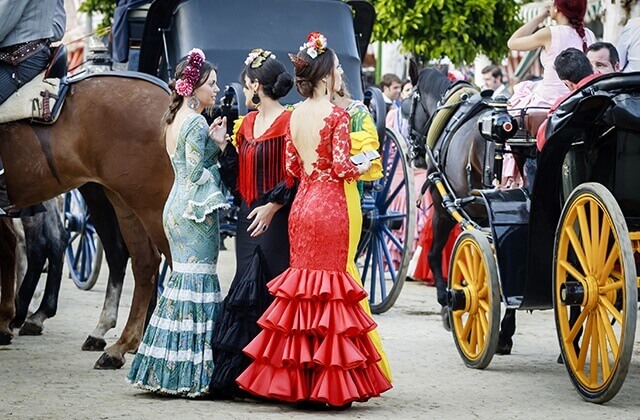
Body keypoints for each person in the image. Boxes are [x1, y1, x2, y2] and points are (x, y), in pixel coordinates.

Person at [236, 32, 392, 409]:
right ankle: (329, 384)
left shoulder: (295, 115)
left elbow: (291, 168)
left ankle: (297, 380)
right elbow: (341, 167)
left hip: (302, 206)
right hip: (330, 206)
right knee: (331, 290)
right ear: (326, 77)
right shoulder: (337, 116)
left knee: (303, 289)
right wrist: (367, 160)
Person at [127, 48, 229, 397]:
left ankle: (162, 367)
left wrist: (208, 145)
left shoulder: (173, 119)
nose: (216, 90)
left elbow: (183, 166)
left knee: (180, 286)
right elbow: (198, 171)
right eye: (211, 84)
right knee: (198, 284)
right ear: (195, 85)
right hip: (194, 212)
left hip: (174, 207)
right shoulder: (197, 122)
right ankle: (191, 375)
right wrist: (218, 146)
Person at [208, 49, 295, 398]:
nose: (244, 91)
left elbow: (296, 174)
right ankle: (245, 378)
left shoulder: (291, 122)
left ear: (257, 85)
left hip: (278, 221)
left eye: (246, 85)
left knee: (274, 293)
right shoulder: (244, 124)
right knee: (246, 294)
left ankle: (273, 381)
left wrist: (272, 206)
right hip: (248, 218)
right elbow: (237, 179)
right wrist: (221, 147)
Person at [331, 82, 391, 382]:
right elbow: (360, 162)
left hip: (310, 202)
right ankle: (351, 361)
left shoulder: (300, 113)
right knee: (343, 272)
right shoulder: (351, 114)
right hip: (342, 198)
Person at [0, 0, 66, 214]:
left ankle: (2, 184)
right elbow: (57, 28)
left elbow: (2, 24)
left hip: (17, 60)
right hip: (37, 54)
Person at [507, 0, 596, 109]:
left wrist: (539, 17)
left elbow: (512, 43)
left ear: (557, 8)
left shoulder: (550, 33)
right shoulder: (589, 34)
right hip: (579, 98)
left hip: (549, 100)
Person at [536, 47, 597, 151]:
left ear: (567, 83)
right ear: (590, 67)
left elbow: (542, 142)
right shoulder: (617, 85)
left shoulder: (564, 104)